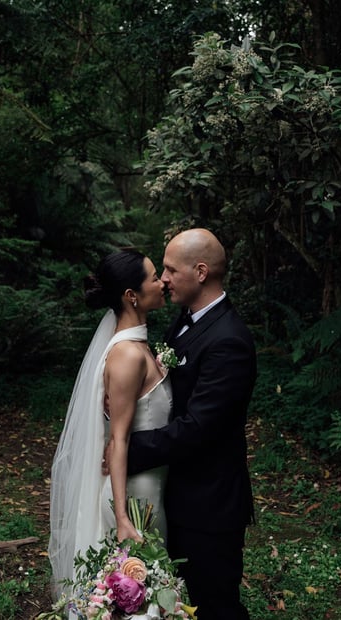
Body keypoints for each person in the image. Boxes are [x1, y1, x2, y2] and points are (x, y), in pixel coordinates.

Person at [114, 228, 258, 619]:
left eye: (171, 270)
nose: (163, 279)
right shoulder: (184, 320)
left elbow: (198, 428)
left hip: (209, 505)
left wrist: (127, 450)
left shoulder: (229, 341)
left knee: (215, 605)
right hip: (175, 493)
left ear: (201, 272)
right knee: (173, 601)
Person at [47, 249, 171, 598]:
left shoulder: (139, 347)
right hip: (137, 497)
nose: (162, 282)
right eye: (153, 278)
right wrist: (122, 518)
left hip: (150, 488)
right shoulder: (128, 354)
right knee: (137, 597)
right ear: (132, 295)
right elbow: (118, 440)